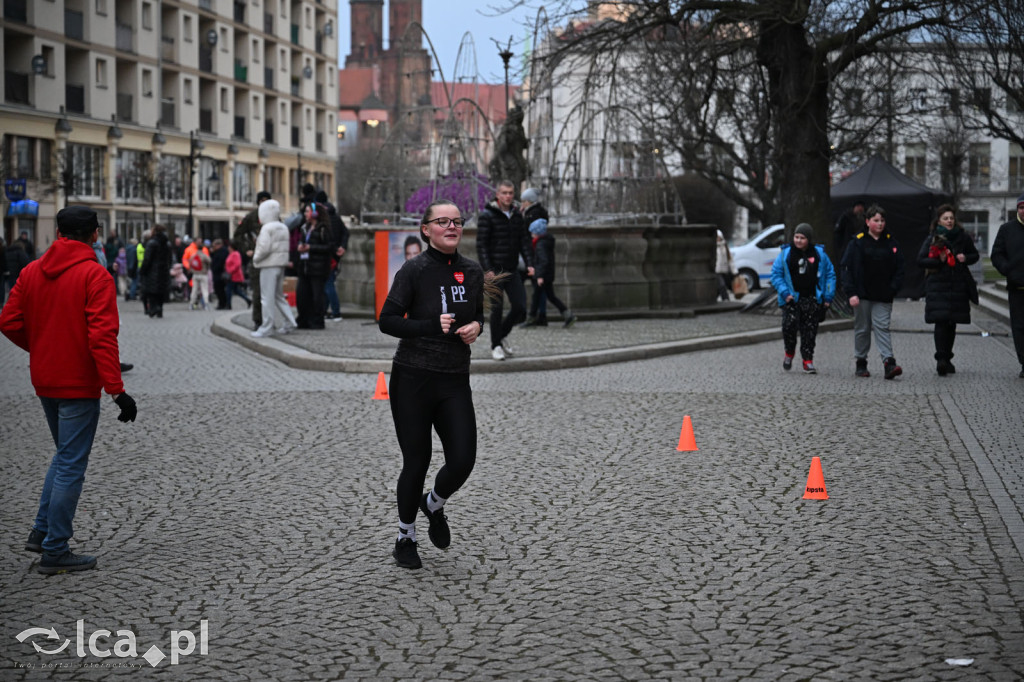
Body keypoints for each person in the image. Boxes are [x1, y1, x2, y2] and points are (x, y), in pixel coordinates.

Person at [0, 205, 137, 575]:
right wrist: (117, 391)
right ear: (94, 234)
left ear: (59, 232)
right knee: (71, 464)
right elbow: (102, 338)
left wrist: (42, 346)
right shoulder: (96, 276)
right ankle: (55, 548)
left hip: (45, 378)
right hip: (77, 383)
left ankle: (41, 531)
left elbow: (8, 320)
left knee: (64, 456)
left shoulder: (31, 271)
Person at [379, 199, 486, 570]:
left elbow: (477, 317)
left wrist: (478, 328)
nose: (452, 226)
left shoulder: (472, 272)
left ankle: (433, 504)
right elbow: (387, 320)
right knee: (417, 460)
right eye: (443, 221)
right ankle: (404, 537)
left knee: (463, 459)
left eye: (457, 221)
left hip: (454, 379)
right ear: (426, 229)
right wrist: (428, 325)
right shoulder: (414, 270)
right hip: (412, 378)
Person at [840, 204, 905, 379]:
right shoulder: (857, 242)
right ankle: (861, 362)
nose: (880, 224)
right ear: (868, 222)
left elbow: (900, 268)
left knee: (882, 327)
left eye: (882, 220)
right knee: (862, 328)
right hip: (862, 295)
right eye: (876, 220)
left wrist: (893, 288)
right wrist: (851, 292)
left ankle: (889, 363)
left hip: (883, 295)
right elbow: (846, 268)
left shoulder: (892, 243)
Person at [916, 205, 980, 376]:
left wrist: (965, 257)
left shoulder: (963, 237)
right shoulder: (933, 238)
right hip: (938, 286)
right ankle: (941, 359)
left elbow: (975, 255)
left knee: (952, 323)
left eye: (951, 218)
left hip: (958, 286)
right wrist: (939, 260)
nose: (949, 221)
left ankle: (948, 358)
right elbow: (921, 260)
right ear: (939, 221)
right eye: (946, 218)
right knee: (941, 322)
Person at [477, 180, 534, 360]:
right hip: (494, 270)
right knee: (497, 308)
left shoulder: (517, 215)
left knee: (520, 307)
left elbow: (524, 241)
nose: (508, 196)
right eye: (504, 193)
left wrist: (530, 263)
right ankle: (496, 346)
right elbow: (482, 245)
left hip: (512, 268)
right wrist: (487, 269)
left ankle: (501, 335)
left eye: (511, 193)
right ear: (498, 195)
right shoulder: (487, 216)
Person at [769, 223, 836, 374]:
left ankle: (808, 360)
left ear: (809, 239)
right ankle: (789, 352)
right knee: (789, 328)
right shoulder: (786, 254)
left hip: (812, 298)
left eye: (802, 238)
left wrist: (828, 296)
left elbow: (830, 274)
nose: (798, 240)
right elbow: (776, 275)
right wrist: (785, 293)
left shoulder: (819, 254)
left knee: (810, 331)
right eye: (796, 237)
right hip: (791, 299)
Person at [251, 199, 298, 338]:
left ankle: (266, 327)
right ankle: (290, 321)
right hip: (280, 264)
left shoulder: (267, 228)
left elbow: (264, 248)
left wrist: (255, 258)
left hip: (268, 265)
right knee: (279, 296)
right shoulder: (282, 227)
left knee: (266, 297)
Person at [990, 192, 1024, 378]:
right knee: (1019, 328)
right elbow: (997, 254)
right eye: (1021, 207)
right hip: (1016, 288)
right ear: (1017, 209)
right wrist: (1007, 269)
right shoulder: (1007, 229)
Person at [527, 218, 576, 327]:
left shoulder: (540, 244)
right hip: (547, 275)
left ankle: (531, 318)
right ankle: (567, 314)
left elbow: (543, 261)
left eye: (533, 232)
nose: (531, 234)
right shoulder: (545, 242)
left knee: (537, 296)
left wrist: (539, 276)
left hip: (543, 276)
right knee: (550, 296)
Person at [233, 190, 271, 329]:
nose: (264, 203)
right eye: (262, 201)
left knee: (272, 293)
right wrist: (246, 249)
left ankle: (269, 320)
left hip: (271, 259)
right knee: (258, 292)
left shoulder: (274, 217)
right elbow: (237, 235)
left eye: (266, 200)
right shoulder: (252, 217)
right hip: (256, 259)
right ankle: (258, 320)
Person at [294, 201, 332, 329]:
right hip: (305, 267)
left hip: (318, 268)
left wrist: (311, 247)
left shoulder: (323, 228)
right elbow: (302, 241)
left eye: (307, 211)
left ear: (315, 213)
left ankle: (317, 320)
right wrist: (300, 246)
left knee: (317, 296)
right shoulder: (305, 227)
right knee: (302, 295)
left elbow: (329, 247)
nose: (305, 214)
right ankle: (303, 319)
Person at [315, 189, 349, 322]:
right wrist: (343, 247)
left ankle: (335, 312)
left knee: (328, 284)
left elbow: (328, 239)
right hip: (335, 254)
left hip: (328, 254)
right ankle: (327, 311)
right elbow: (345, 233)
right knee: (328, 283)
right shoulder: (335, 216)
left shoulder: (323, 217)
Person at [139, 224, 172, 318]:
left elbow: (147, 259)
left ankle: (153, 308)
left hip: (152, 271)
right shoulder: (167, 243)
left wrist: (143, 270)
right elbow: (169, 258)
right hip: (164, 271)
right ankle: (160, 309)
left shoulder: (151, 243)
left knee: (151, 291)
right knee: (161, 291)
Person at [224, 243, 251, 309]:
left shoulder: (235, 254)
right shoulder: (231, 254)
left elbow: (237, 264)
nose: (228, 248)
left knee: (228, 290)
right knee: (236, 290)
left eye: (229, 247)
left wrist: (230, 271)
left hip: (234, 275)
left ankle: (228, 304)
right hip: (232, 275)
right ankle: (248, 300)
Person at [188, 241, 213, 310]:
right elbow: (209, 261)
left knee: (194, 290)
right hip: (203, 274)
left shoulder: (193, 255)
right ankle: (206, 304)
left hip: (195, 274)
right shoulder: (204, 256)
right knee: (204, 289)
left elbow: (190, 262)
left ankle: (191, 304)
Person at [714, 230, 737, 302]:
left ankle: (712, 299)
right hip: (716, 270)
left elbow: (730, 260)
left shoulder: (725, 246)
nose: (718, 238)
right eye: (716, 237)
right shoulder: (713, 247)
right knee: (722, 285)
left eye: (719, 237)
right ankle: (726, 299)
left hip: (724, 270)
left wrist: (735, 271)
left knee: (719, 288)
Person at [210, 239, 229, 309]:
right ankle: (222, 303)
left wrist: (215, 268)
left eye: (214, 246)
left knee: (220, 289)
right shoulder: (217, 252)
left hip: (220, 273)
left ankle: (222, 304)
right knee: (219, 289)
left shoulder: (223, 252)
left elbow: (220, 262)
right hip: (217, 273)